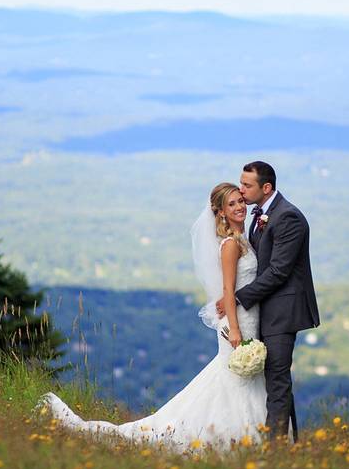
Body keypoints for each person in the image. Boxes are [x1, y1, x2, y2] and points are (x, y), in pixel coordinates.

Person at [34, 183, 267, 452]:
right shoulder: (229, 246)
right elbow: (228, 289)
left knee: (238, 381)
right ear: (221, 213)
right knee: (234, 381)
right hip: (237, 324)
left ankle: (245, 436)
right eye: (232, 204)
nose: (239, 207)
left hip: (248, 318)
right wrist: (235, 330)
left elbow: (236, 288)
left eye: (240, 201)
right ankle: (233, 438)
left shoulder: (243, 238)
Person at [216, 161, 319, 443]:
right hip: (262, 311)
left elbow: (278, 271)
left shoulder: (288, 217)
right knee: (276, 380)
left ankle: (275, 447)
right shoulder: (260, 215)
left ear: (266, 187)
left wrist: (237, 297)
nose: (241, 189)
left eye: (246, 185)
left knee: (277, 380)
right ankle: (289, 440)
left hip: (282, 313)